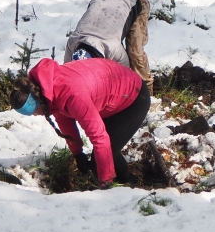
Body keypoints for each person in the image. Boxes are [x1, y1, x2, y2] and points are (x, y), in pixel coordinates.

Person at [10, 58, 150, 187]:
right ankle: (125, 183)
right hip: (108, 98)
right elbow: (65, 121)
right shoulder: (47, 88)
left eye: (33, 111)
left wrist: (105, 184)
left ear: (38, 101)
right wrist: (77, 153)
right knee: (104, 153)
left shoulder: (73, 95)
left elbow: (99, 137)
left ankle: (128, 186)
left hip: (134, 96)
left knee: (101, 157)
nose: (34, 115)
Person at [64, 0, 151, 87]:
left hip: (136, 1)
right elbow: (66, 71)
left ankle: (146, 91)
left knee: (135, 53)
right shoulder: (72, 42)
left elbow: (125, 79)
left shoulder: (114, 49)